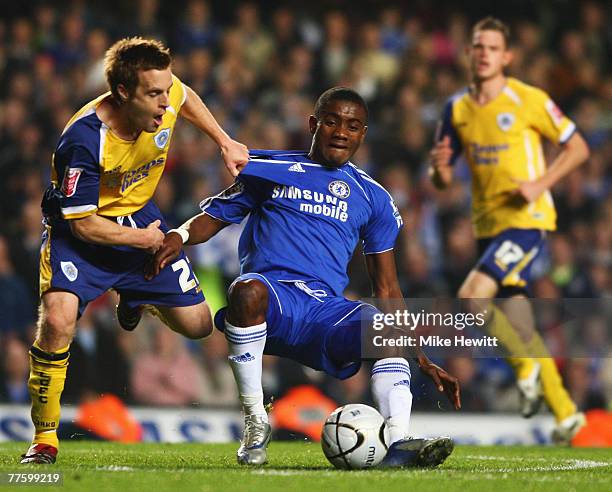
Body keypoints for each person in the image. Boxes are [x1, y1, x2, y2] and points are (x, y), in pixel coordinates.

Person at [149, 87, 461, 468]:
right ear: (314, 124)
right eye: (331, 121)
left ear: (363, 134)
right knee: (245, 290)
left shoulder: (375, 198)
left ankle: (398, 443)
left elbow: (387, 287)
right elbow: (213, 218)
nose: (341, 132)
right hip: (273, 299)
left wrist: (420, 357)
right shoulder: (267, 168)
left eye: (353, 125)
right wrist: (179, 235)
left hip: (326, 314)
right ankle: (254, 420)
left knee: (384, 327)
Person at [21, 37, 249, 464]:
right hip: (81, 234)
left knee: (199, 325)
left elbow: (184, 93)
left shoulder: (164, 98)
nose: (165, 103)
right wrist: (144, 240)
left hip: (140, 218)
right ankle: (44, 438)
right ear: (122, 92)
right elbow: (83, 223)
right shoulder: (85, 140)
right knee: (56, 321)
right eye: (153, 94)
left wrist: (223, 140)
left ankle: (135, 300)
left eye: (165, 91)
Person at [429, 17, 590, 444]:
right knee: (520, 324)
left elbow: (578, 147)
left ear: (507, 57)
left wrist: (540, 184)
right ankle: (566, 411)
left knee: (471, 297)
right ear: (468, 54)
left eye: (493, 48)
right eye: (478, 46)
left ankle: (525, 367)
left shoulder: (528, 98)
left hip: (527, 220)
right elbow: (443, 179)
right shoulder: (457, 109)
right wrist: (440, 168)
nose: (484, 53)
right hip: (488, 227)